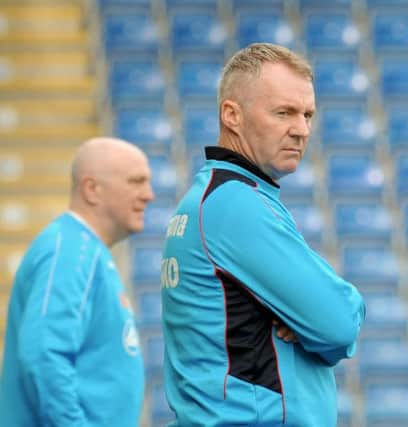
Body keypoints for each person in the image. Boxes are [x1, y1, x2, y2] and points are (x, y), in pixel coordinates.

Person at [161, 43, 366, 426]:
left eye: (308, 115)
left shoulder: (217, 198)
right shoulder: (235, 205)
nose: (302, 130)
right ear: (231, 115)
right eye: (283, 113)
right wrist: (340, 305)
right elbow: (338, 323)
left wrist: (310, 315)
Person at [0, 137, 154, 426]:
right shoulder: (70, 251)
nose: (149, 195)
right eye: (136, 181)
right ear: (92, 189)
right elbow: (43, 355)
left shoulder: (86, 250)